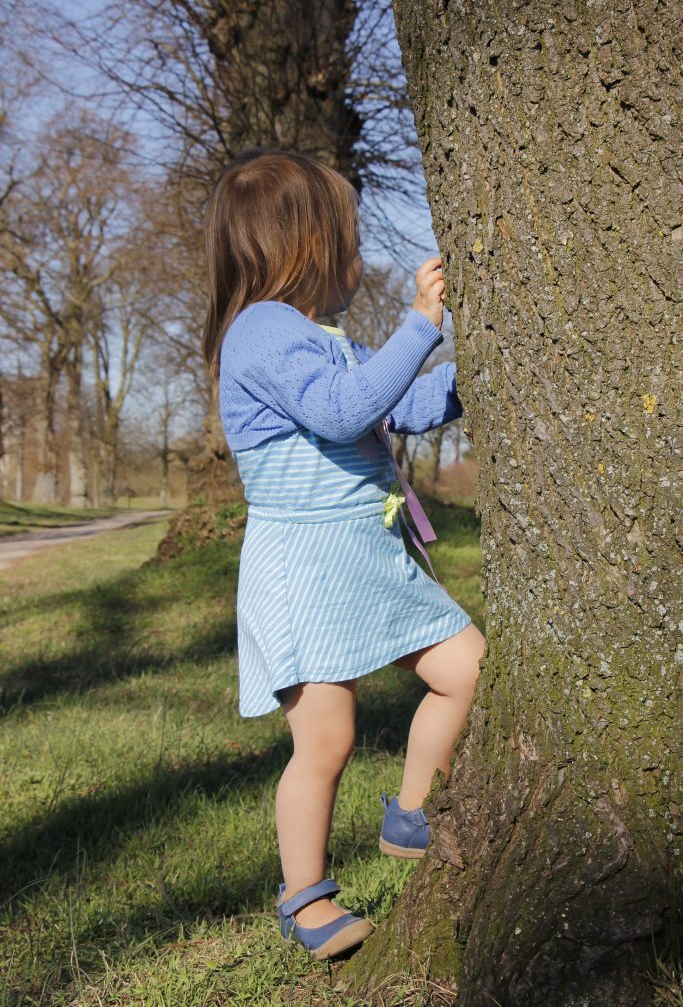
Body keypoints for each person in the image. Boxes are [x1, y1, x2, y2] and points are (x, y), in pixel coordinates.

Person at [204, 147, 485, 961]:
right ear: (309, 246)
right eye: (352, 241)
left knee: (465, 669)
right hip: (305, 570)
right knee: (324, 741)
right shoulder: (260, 333)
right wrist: (417, 327)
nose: (360, 260)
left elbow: (404, 404)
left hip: (368, 559)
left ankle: (410, 814)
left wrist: (489, 368)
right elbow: (342, 412)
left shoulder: (319, 336)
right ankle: (303, 896)